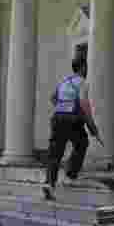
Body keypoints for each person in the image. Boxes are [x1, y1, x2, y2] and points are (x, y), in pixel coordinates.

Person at [44, 57, 101, 200]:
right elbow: (84, 106)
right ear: (82, 67)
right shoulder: (82, 83)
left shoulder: (64, 81)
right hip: (72, 119)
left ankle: (49, 184)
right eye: (86, 67)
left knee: (54, 153)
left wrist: (62, 106)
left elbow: (52, 98)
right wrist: (92, 126)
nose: (86, 70)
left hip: (57, 117)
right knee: (82, 143)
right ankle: (70, 173)